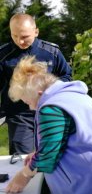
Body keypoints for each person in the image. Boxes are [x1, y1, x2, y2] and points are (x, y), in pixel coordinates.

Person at [5, 56, 92, 194]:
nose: (31, 108)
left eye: (28, 102)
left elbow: (48, 154)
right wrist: (37, 152)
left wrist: (23, 176)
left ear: (39, 94)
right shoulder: (68, 93)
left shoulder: (50, 108)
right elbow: (62, 136)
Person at [0, 13, 72, 155]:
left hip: (49, 112)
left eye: (25, 37)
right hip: (19, 114)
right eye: (15, 36)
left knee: (51, 155)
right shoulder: (3, 55)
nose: (20, 41)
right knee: (22, 158)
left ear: (36, 32)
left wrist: (49, 90)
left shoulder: (52, 52)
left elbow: (67, 76)